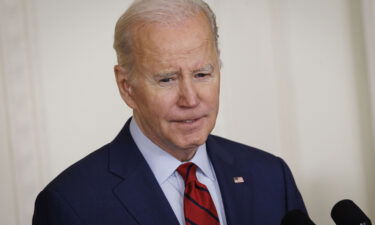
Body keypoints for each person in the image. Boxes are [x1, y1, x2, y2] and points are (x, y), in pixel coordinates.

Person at [32, 0, 307, 224]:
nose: (190, 99)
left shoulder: (271, 176)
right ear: (127, 87)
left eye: (202, 74)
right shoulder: (70, 204)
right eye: (167, 79)